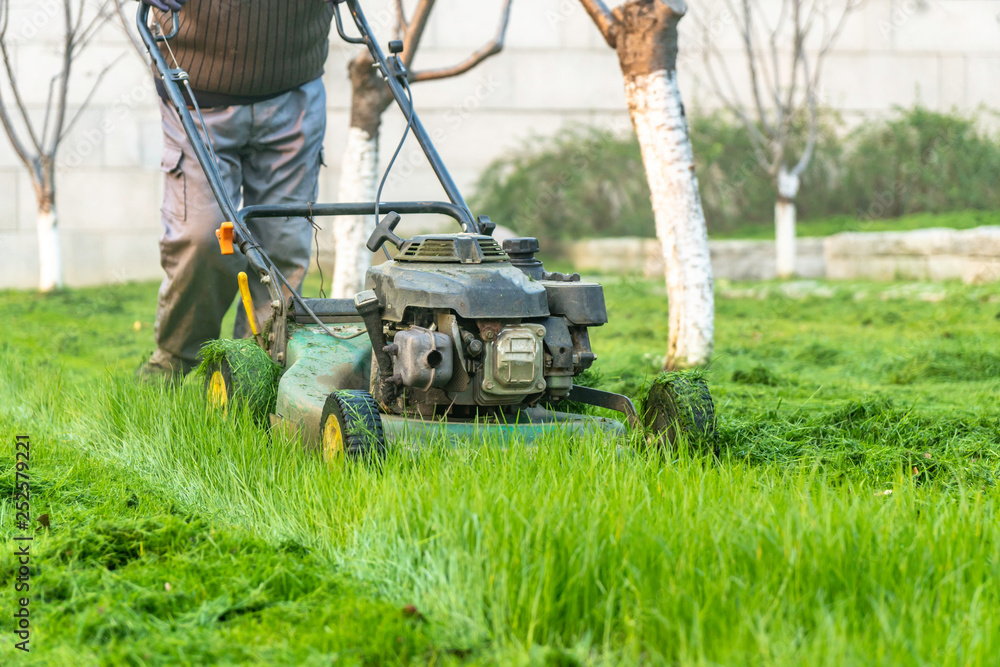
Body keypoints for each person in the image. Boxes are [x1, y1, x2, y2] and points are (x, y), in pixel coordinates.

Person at [137, 0, 335, 382]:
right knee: (203, 237)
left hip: (294, 81)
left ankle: (257, 369)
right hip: (193, 85)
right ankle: (176, 361)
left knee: (283, 242)